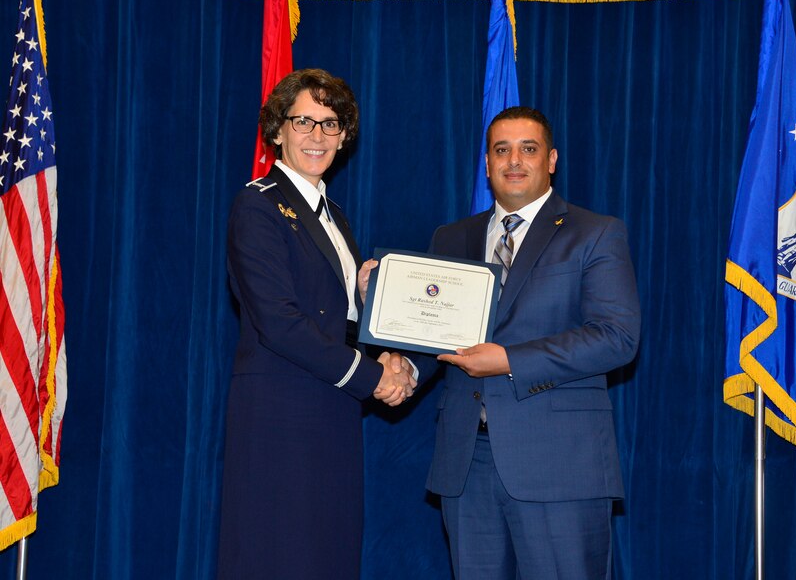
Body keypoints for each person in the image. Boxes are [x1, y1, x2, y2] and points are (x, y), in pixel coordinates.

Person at [403, 106, 639, 579]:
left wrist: (509, 360)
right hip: (467, 464)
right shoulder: (452, 238)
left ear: (550, 160)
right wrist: (403, 367)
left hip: (559, 464)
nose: (515, 161)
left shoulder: (594, 234)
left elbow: (617, 338)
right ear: (486, 163)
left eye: (528, 149)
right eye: (501, 150)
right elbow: (433, 338)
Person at [217, 68, 415, 580]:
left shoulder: (332, 215)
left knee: (326, 556)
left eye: (331, 125)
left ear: (345, 137)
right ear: (278, 130)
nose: (317, 136)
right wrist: (376, 378)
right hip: (282, 416)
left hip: (330, 411)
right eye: (304, 121)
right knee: (278, 557)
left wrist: (370, 302)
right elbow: (280, 322)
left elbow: (333, 318)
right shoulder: (258, 205)